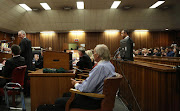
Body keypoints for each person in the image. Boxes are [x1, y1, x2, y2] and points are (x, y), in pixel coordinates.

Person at [54, 44, 116, 111]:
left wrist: (76, 84)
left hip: (93, 101)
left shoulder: (100, 67)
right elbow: (97, 82)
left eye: (94, 53)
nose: (93, 54)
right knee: (66, 94)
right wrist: (82, 82)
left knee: (59, 101)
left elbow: (86, 89)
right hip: (102, 99)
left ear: (98, 54)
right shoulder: (109, 65)